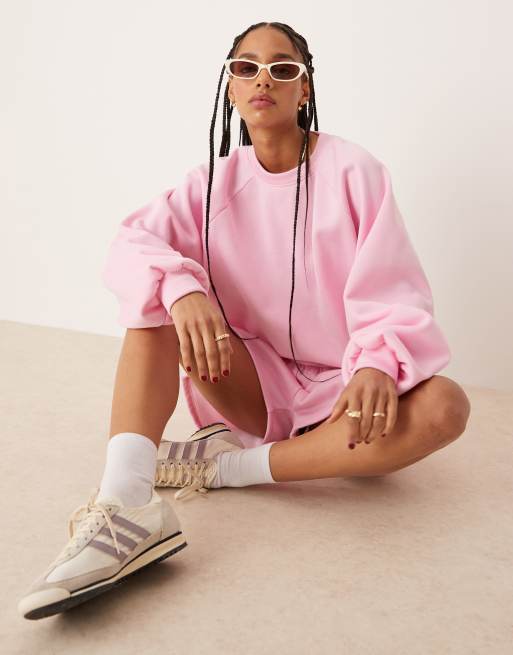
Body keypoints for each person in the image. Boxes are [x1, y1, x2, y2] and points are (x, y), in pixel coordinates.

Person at [18, 21, 471, 620]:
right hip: (252, 384)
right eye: (246, 67)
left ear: (304, 89)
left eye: (282, 68)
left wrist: (377, 365)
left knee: (445, 407)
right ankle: (125, 504)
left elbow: (393, 284)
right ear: (230, 87)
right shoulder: (212, 184)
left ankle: (224, 468)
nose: (263, 79)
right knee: (155, 296)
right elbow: (131, 244)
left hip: (344, 392)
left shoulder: (354, 171)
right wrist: (182, 288)